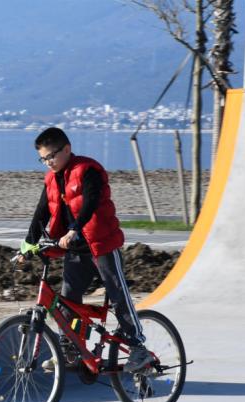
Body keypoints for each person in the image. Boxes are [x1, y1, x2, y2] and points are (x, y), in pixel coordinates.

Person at [19, 126, 151, 372]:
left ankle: (138, 348)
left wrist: (74, 229)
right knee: (67, 299)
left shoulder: (88, 170)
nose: (47, 162)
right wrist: (27, 244)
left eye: (51, 156)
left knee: (118, 296)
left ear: (66, 149)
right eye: (43, 158)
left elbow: (90, 203)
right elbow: (42, 212)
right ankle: (70, 351)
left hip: (101, 244)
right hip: (76, 250)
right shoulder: (51, 179)